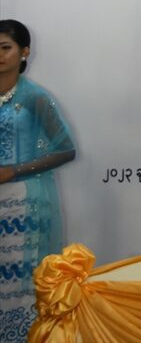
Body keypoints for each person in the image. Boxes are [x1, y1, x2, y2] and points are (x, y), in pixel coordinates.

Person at [0, 19, 76, 337]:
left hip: (23, 208)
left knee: (20, 284)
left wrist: (15, 170)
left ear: (24, 52)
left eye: (5, 47)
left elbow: (66, 149)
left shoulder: (34, 98)